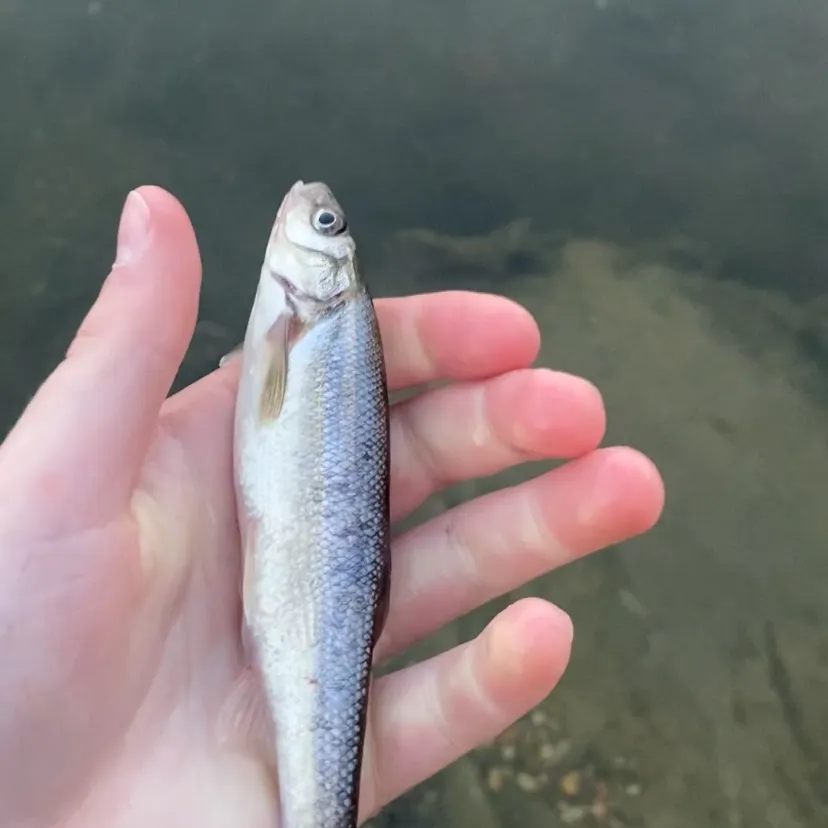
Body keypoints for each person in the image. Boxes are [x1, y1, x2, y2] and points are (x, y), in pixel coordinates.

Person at [0, 186, 665, 826]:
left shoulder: (313, 321)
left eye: (325, 225)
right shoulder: (309, 322)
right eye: (328, 223)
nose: (311, 210)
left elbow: (266, 385)